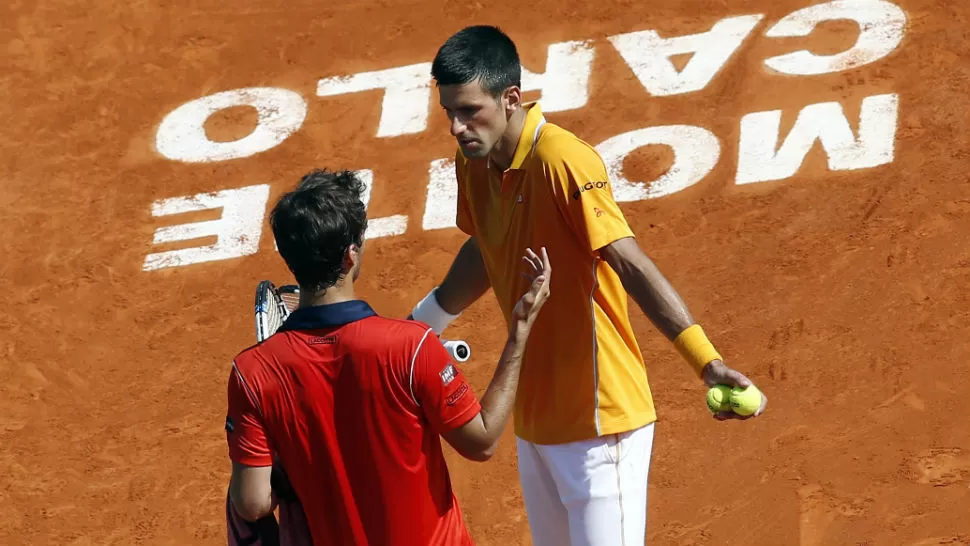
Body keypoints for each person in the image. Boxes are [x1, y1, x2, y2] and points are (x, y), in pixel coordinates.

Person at [407, 25, 767, 546]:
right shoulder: (475, 161)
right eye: (450, 113)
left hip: (601, 425)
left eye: (469, 111)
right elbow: (487, 247)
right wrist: (423, 325)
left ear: (511, 99)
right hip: (534, 422)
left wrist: (704, 360)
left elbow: (627, 260)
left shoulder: (563, 160)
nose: (457, 128)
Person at [225, 168, 554, 545]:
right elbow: (481, 442)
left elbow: (251, 503)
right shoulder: (410, 347)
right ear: (351, 255)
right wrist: (520, 331)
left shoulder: (251, 373)